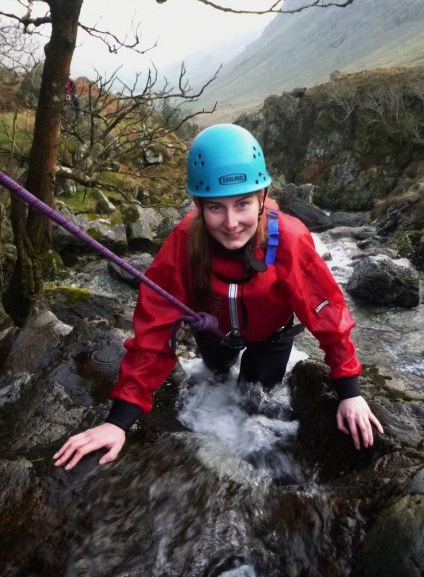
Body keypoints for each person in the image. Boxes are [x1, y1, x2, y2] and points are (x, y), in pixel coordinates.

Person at [53, 124, 383, 471]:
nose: (230, 223)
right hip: (213, 333)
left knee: (255, 403)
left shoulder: (289, 240)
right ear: (198, 204)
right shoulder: (184, 243)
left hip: (270, 338)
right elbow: (154, 330)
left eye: (242, 204)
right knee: (216, 373)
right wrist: (118, 421)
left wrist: (350, 392)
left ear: (262, 198)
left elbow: (327, 314)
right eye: (215, 208)